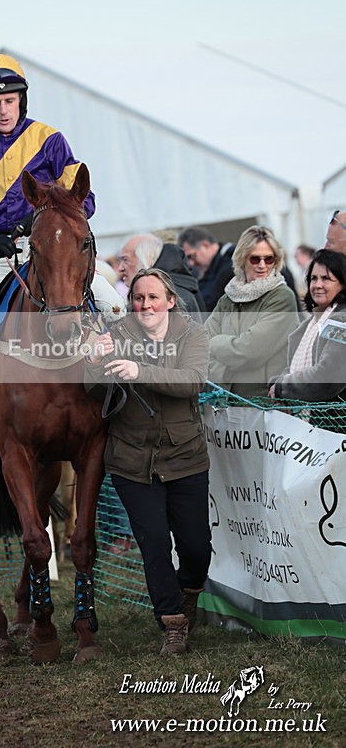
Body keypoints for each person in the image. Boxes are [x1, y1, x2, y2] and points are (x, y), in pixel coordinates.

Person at [0, 52, 124, 493]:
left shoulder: (50, 139)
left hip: (53, 248)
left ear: (22, 98)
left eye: (10, 99)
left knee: (114, 304)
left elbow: (83, 197)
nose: (3, 108)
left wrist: (53, 218)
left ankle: (126, 414)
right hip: (0, 254)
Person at [85, 267, 211, 654]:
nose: (145, 305)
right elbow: (92, 389)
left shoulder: (193, 334)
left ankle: (188, 592)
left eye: (153, 297)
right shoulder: (117, 334)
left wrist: (140, 370)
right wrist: (92, 361)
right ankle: (172, 622)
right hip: (131, 461)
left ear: (170, 301)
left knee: (196, 548)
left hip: (185, 456)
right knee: (154, 543)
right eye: (138, 298)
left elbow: (193, 380)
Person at [205, 226, 299, 399]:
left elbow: (248, 352)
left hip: (264, 405)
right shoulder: (228, 298)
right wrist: (226, 370)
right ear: (242, 259)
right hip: (226, 401)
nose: (262, 265)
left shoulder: (282, 297)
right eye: (255, 259)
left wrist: (215, 343)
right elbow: (201, 346)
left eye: (269, 259)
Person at [268, 249, 346, 416]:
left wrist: (282, 387)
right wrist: (277, 384)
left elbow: (328, 377)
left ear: (343, 283)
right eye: (313, 278)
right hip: (305, 428)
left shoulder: (342, 322)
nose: (317, 285)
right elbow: (291, 370)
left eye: (326, 279)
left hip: (335, 430)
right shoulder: (306, 327)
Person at [177, 226, 235, 312]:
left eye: (192, 256)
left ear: (205, 245)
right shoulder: (210, 268)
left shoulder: (233, 261)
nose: (191, 263)